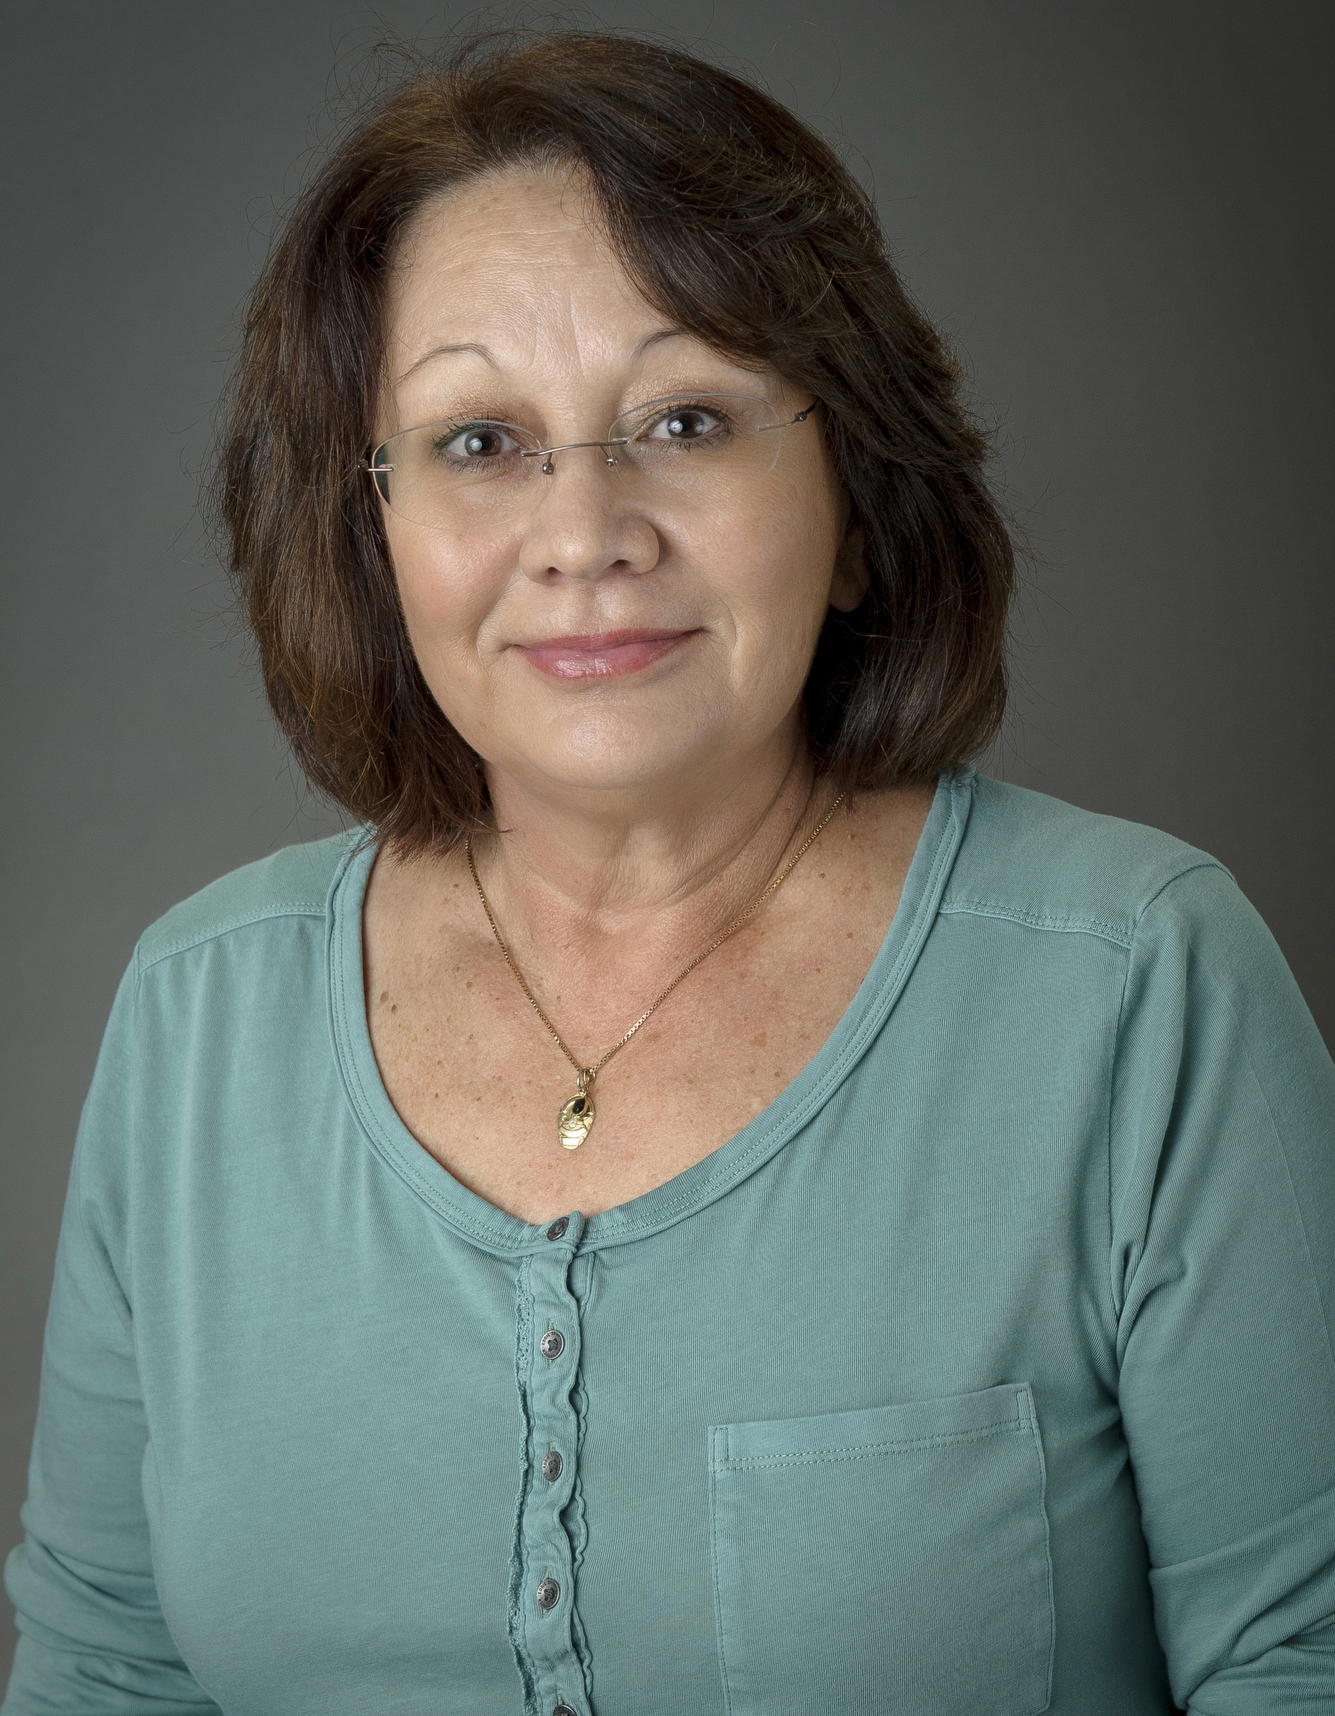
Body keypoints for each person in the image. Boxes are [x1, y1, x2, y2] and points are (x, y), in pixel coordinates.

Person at [4, 29, 1333, 1716]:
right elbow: (103, 1677)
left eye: (685, 417)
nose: (586, 531)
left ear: (854, 502)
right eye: (480, 441)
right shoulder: (193, 1018)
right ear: (373, 531)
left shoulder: (1138, 987)